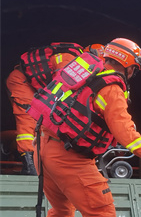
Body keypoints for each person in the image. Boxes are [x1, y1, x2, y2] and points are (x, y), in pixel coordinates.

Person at [26, 38, 141, 217]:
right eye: (135, 68)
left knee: (62, 209)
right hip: (69, 158)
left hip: (43, 147)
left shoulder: (84, 72)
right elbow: (125, 132)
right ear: (129, 66)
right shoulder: (111, 88)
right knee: (102, 215)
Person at [5, 42, 84, 175]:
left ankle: (39, 160)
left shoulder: (75, 61)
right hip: (21, 81)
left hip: (32, 84)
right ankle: (29, 163)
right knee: (28, 118)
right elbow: (62, 86)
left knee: (43, 121)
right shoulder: (69, 60)